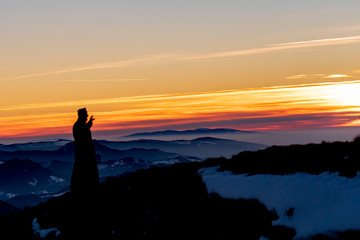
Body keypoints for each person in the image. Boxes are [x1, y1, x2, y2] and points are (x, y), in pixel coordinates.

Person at [70, 108, 99, 194]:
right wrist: (89, 123)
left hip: (84, 154)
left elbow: (85, 128)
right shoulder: (79, 126)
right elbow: (83, 132)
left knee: (83, 171)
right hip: (84, 155)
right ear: (81, 116)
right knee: (83, 172)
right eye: (85, 115)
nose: (87, 116)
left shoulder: (79, 125)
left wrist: (89, 123)